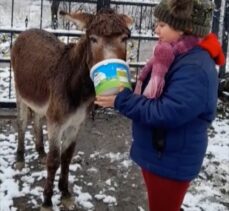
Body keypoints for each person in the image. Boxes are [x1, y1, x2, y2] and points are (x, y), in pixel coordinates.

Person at [94, 0, 225, 210]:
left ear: (185, 29)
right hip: (162, 153)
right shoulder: (175, 54)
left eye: (162, 25)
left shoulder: (195, 67)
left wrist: (122, 100)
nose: (156, 30)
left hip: (171, 161)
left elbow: (166, 112)